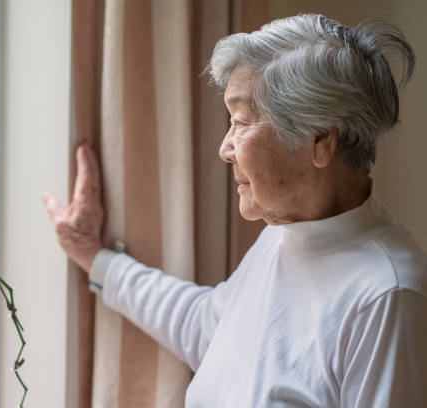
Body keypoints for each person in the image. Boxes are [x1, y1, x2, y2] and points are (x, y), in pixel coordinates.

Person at [43, 14, 427, 407]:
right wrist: (92, 255)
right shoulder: (284, 234)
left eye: (241, 122)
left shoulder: (387, 296)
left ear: (321, 141)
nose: (225, 149)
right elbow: (207, 326)